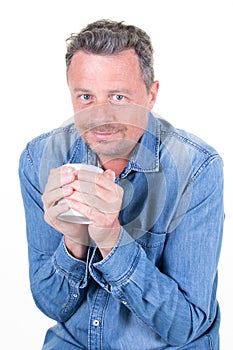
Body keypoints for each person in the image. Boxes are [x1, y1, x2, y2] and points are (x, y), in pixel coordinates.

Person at [18, 19, 224, 350]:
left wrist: (111, 238)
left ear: (151, 94)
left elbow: (186, 326)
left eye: (118, 96)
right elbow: (52, 306)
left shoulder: (197, 169)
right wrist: (74, 241)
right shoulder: (39, 159)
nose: (100, 116)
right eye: (86, 96)